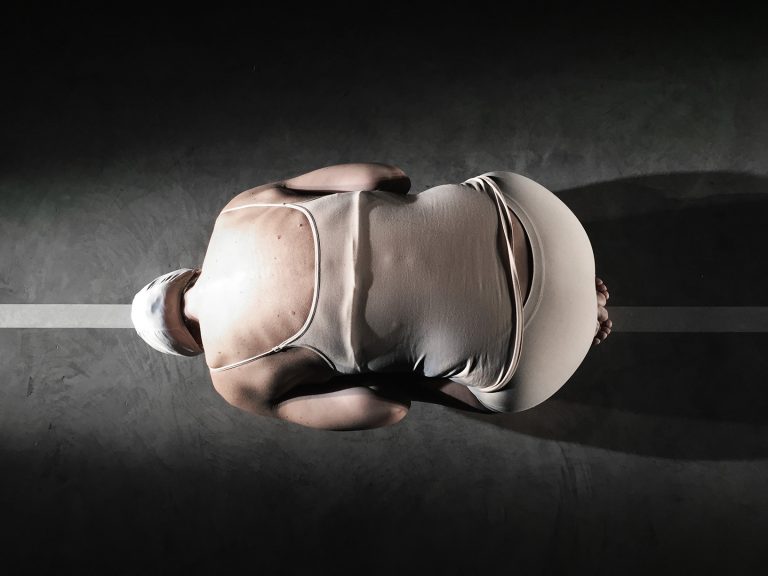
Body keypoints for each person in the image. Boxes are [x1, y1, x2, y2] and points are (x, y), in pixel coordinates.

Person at [131, 163, 612, 430]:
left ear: (190, 347)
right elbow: (384, 176)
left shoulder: (233, 379)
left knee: (438, 385)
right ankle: (561, 277)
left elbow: (384, 410)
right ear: (184, 277)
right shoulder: (238, 211)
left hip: (533, 355)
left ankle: (569, 321)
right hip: (536, 214)